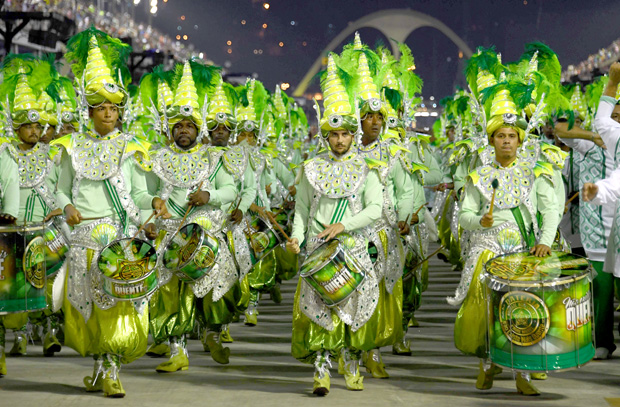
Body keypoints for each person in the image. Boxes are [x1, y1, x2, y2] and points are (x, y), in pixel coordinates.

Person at [53, 28, 169, 397]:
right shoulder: (71, 146)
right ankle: (100, 365)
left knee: (118, 308)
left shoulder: (131, 147)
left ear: (120, 110)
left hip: (120, 237)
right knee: (91, 310)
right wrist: (68, 206)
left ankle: (112, 368)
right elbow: (61, 187)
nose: (108, 113)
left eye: (114, 107)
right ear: (89, 110)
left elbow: (136, 192)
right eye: (101, 107)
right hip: (84, 239)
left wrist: (151, 206)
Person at [454, 84, 560, 396]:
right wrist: (479, 220)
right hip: (487, 251)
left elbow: (550, 210)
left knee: (523, 313)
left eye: (512, 136)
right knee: (487, 312)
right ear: (492, 141)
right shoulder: (479, 176)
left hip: (523, 253)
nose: (506, 142)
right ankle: (488, 364)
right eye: (500, 136)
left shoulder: (534, 172)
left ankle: (523, 373)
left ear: (519, 141)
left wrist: (545, 241)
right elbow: (465, 216)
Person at [286, 53, 382, 396]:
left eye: (344, 134)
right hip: (318, 248)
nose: (339, 140)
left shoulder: (368, 168)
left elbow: (376, 209)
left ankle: (352, 361)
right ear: (324, 137)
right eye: (333, 135)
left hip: (354, 247)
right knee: (320, 309)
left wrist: (346, 225)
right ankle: (321, 369)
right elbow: (301, 210)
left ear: (353, 136)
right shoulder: (310, 168)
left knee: (355, 309)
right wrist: (297, 238)